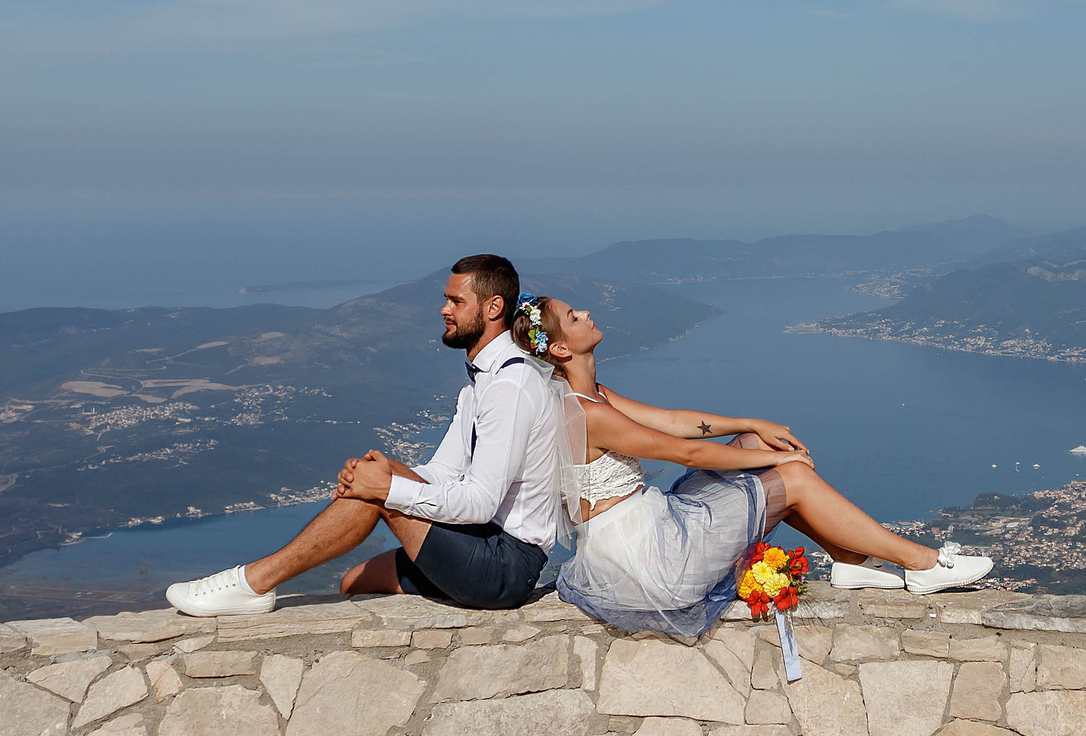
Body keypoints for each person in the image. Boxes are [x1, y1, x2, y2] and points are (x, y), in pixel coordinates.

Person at [542, 308, 991, 636]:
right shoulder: (588, 413)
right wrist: (779, 463)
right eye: (573, 316)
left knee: (756, 445)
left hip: (649, 532)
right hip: (647, 563)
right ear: (561, 348)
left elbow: (675, 422)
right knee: (791, 479)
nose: (586, 313)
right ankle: (921, 563)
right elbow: (687, 453)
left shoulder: (597, 395)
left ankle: (850, 560)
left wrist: (752, 424)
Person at [164, 253, 566, 616]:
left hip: (504, 565)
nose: (444, 310)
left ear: (493, 307)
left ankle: (251, 583)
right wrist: (379, 473)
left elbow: (480, 502)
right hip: (479, 540)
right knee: (355, 581)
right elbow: (444, 471)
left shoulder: (510, 386)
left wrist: (386, 489)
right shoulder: (482, 384)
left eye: (456, 301)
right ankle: (258, 580)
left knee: (379, 491)